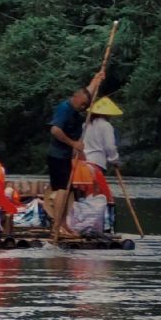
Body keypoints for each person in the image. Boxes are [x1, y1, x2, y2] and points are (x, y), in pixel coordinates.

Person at [46, 68, 106, 232]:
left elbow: (87, 91)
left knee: (67, 190)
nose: (84, 107)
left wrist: (97, 79)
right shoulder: (65, 109)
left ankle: (63, 224)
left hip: (65, 156)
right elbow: (55, 130)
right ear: (75, 97)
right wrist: (74, 144)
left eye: (86, 105)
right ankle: (57, 226)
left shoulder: (76, 105)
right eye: (82, 104)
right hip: (57, 155)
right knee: (62, 190)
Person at [82, 96, 123, 230]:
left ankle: (85, 224)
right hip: (95, 164)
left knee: (85, 196)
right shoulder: (106, 126)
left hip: (82, 165)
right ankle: (100, 227)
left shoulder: (85, 125)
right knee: (99, 196)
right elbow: (110, 147)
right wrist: (115, 160)